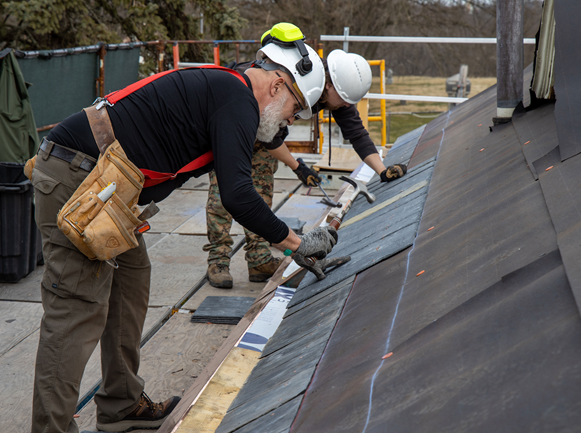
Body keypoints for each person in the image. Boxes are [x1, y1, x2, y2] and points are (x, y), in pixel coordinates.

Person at [29, 41, 335, 433]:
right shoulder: (238, 101)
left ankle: (121, 406)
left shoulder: (233, 95)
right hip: (79, 179)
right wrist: (297, 243)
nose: (289, 121)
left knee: (131, 281)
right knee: (76, 309)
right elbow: (238, 195)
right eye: (295, 108)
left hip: (103, 188)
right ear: (278, 86)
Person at [204, 24, 407, 289]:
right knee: (224, 196)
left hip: (265, 132)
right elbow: (271, 137)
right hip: (233, 126)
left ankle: (258, 259)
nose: (345, 106)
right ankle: (218, 260)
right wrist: (297, 165)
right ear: (328, 84)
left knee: (259, 198)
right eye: (343, 100)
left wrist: (382, 170)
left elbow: (357, 134)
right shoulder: (298, 78)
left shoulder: (337, 92)